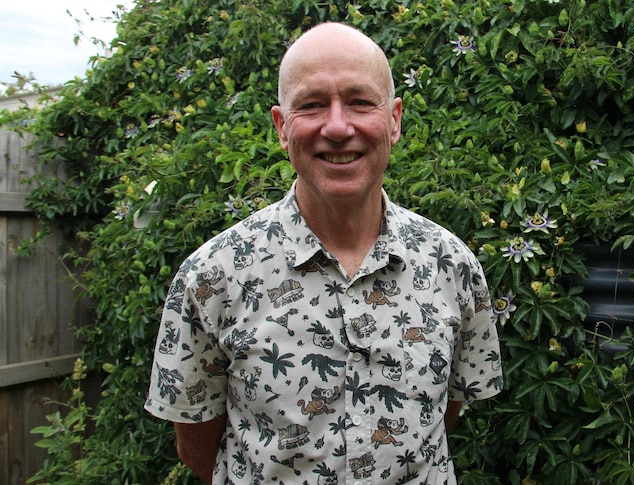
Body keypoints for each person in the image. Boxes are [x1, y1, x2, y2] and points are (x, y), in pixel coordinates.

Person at [145, 22, 503, 485]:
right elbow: (196, 444)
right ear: (281, 127)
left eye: (359, 101)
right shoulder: (212, 277)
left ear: (394, 119)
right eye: (312, 105)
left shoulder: (452, 266)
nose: (337, 127)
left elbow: (445, 412)